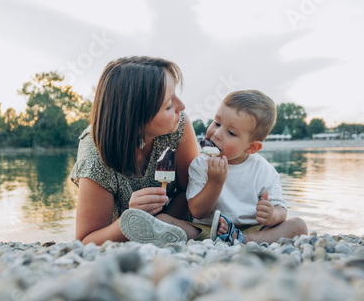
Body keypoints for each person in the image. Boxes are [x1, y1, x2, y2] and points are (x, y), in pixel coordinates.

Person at [70, 56, 200, 245]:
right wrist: (133, 219)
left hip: (180, 229)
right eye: (169, 104)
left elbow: (190, 191)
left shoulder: (178, 125)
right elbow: (85, 241)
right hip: (124, 238)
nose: (181, 106)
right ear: (136, 120)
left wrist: (158, 224)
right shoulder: (95, 154)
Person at [156, 90, 308, 244]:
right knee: (162, 220)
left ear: (252, 148)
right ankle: (231, 239)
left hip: (252, 228)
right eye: (216, 123)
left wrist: (272, 215)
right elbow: (197, 212)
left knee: (298, 225)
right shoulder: (200, 164)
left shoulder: (263, 170)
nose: (217, 134)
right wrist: (214, 183)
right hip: (207, 229)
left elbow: (281, 209)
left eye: (231, 133)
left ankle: (244, 239)